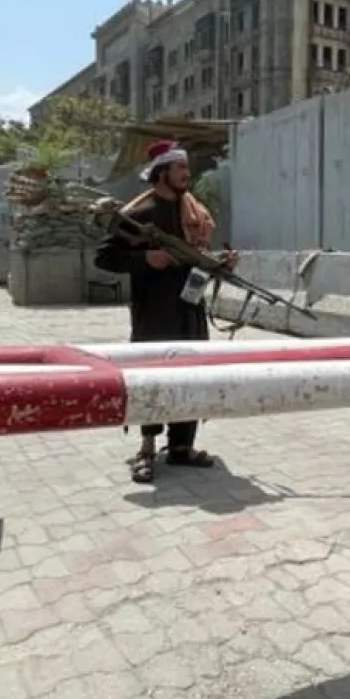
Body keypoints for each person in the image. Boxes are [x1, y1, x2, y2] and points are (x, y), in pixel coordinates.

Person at [95, 140, 228, 484]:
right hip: (154, 312)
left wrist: (221, 264)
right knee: (153, 378)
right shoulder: (139, 214)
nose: (188, 174)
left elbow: (200, 257)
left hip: (191, 310)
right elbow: (105, 257)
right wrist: (145, 260)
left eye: (187, 168)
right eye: (181, 168)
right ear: (162, 172)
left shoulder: (194, 213)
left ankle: (182, 447)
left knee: (191, 375)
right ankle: (147, 448)